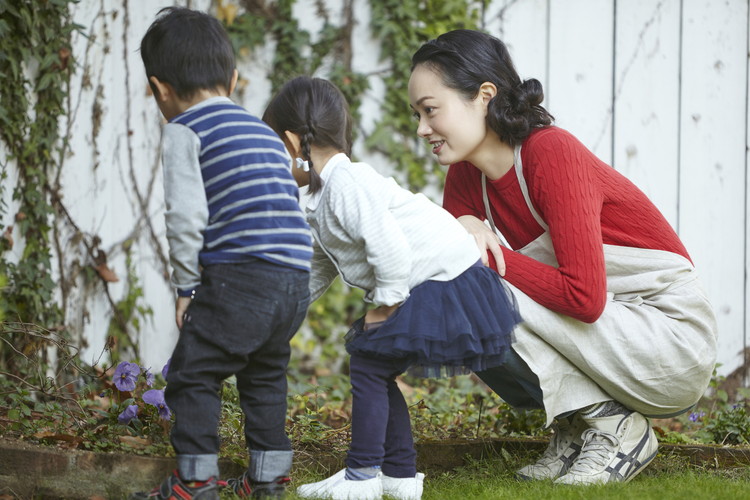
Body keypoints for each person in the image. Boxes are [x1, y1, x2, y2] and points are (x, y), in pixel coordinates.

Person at [408, 29, 718, 485]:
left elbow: (583, 297)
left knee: (470, 280)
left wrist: (486, 255)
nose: (421, 129)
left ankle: (617, 426)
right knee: (445, 287)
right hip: (609, 335)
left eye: (431, 110)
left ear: (483, 96)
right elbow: (445, 260)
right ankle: (580, 424)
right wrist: (461, 228)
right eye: (416, 114)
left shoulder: (549, 152)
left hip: (668, 338)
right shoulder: (465, 174)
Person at [262, 75, 522, 500]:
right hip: (434, 277)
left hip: (443, 277)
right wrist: (282, 317)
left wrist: (386, 303)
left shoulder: (346, 184)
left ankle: (362, 476)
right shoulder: (322, 196)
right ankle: (399, 476)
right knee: (374, 366)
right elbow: (319, 268)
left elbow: (390, 249)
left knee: (369, 361)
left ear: (293, 143)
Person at [134, 7, 312, 500]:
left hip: (244, 278)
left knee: (193, 374)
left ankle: (193, 485)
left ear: (159, 89)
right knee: (265, 379)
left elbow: (186, 218)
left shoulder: (184, 130)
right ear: (232, 79)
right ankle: (267, 482)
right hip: (294, 280)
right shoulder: (264, 134)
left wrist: (186, 288)